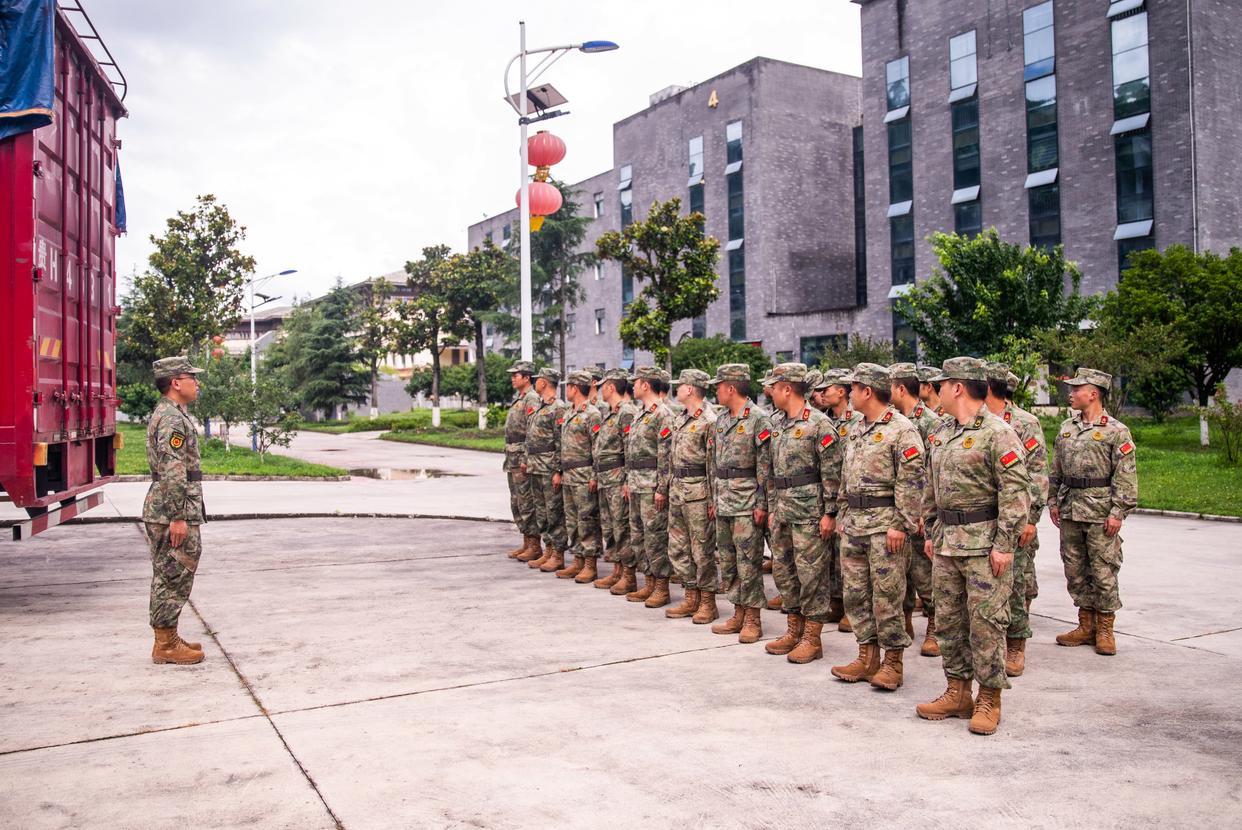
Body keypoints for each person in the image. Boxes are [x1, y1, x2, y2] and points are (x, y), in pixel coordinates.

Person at [916, 357, 1030, 736]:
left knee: (986, 625)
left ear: (958, 387)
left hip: (984, 546)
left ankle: (989, 698)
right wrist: (933, 531)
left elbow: (1015, 492)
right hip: (948, 545)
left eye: (942, 384)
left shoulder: (999, 433)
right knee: (949, 622)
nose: (937, 390)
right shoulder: (942, 431)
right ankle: (957, 691)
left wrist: (1005, 545)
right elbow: (931, 488)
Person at [831, 363, 924, 689]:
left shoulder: (902, 430)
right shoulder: (856, 428)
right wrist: (843, 513)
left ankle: (893, 663)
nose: (850, 393)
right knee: (856, 595)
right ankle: (866, 656)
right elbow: (846, 477)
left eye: (853, 388)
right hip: (855, 526)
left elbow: (912, 483)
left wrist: (901, 524)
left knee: (887, 597)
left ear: (867, 391)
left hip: (886, 529)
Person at [1049, 367, 1137, 657]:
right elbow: (1056, 470)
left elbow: (1125, 474)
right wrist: (1052, 501)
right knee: (1074, 570)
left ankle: (1105, 628)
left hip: (1100, 511)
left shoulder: (1116, 431)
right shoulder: (1066, 427)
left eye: (1077, 389)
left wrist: (1118, 512)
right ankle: (1085, 624)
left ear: (1094, 393)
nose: (1071, 393)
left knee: (1103, 570)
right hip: (1070, 508)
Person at [764, 363, 840, 664]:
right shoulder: (778, 424)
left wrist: (830, 513)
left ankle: (812, 637)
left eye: (774, 386)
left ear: (787, 388)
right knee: (785, 572)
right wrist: (772, 507)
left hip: (810, 512)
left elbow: (832, 473)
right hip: (783, 510)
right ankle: (793, 629)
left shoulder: (819, 425)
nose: (770, 391)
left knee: (812, 576)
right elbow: (771, 472)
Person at [984, 362, 1047, 676]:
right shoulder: (971, 422)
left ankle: (1016, 644)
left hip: (1016, 519)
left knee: (1016, 584)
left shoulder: (1024, 423)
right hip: (981, 519)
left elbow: (1036, 475)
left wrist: (1031, 519)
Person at [144, 357, 208, 665]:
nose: (197, 383)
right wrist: (178, 516)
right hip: (171, 509)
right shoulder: (171, 419)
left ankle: (168, 637)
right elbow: (172, 470)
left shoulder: (173, 414)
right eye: (191, 378)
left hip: (172, 505)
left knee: (173, 573)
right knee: (172, 574)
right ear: (176, 382)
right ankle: (165, 644)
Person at [707, 363, 773, 644]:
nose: (716, 391)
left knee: (749, 563)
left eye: (718, 386)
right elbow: (714, 464)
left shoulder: (758, 419)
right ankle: (737, 611)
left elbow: (765, 466)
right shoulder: (721, 420)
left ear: (731, 388)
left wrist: (761, 503)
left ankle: (753, 618)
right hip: (723, 500)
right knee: (729, 561)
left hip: (747, 503)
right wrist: (713, 499)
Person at [889, 362, 941, 657]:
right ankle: (905, 621)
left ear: (900, 388)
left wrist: (924, 512)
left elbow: (932, 472)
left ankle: (934, 625)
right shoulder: (893, 422)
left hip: (921, 512)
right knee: (902, 574)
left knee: (925, 574)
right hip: (898, 510)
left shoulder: (930, 423)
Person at [662, 369, 719, 623]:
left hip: (698, 492)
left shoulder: (709, 419)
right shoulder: (680, 418)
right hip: (678, 489)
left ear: (691, 389)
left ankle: (708, 602)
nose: (677, 389)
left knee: (702, 549)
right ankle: (690, 596)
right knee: (678, 546)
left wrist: (713, 499)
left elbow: (713, 464)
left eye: (681, 385)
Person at [623, 366, 676, 608]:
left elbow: (666, 456)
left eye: (636, 382)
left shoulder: (663, 414)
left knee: (655, 537)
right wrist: (627, 481)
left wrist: (661, 488)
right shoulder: (640, 413)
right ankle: (648, 582)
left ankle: (661, 588)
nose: (632, 386)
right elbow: (631, 453)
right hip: (636, 483)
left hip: (651, 484)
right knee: (639, 537)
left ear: (646, 385)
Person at [818, 368, 862, 631]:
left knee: (846, 555)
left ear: (842, 391)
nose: (822, 393)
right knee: (829, 554)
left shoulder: (856, 421)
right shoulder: (824, 421)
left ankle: (850, 606)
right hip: (827, 493)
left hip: (847, 496)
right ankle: (835, 601)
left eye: (828, 388)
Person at [594, 369, 639, 592]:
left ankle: (629, 574)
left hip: (617, 477)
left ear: (611, 387)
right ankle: (617, 570)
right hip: (605, 478)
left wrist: (627, 480)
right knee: (610, 527)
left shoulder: (626, 413)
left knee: (622, 527)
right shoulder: (610, 412)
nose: (601, 389)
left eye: (604, 385)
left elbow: (631, 450)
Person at [556, 370, 604, 583]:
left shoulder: (592, 414)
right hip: (569, 474)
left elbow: (598, 448)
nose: (566, 389)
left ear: (575, 388)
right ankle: (577, 560)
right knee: (572, 520)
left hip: (584, 474)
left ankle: (590, 564)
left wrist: (594, 475)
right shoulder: (569, 412)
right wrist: (559, 471)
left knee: (586, 520)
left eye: (568, 386)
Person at [523, 368, 569, 573]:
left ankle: (558, 554)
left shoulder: (558, 408)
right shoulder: (540, 407)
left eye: (538, 380)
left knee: (554, 512)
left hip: (549, 467)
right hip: (536, 466)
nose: (536, 383)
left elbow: (561, 441)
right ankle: (548, 550)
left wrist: (559, 469)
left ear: (545, 382)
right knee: (541, 512)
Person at [504, 361, 544, 562]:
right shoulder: (520, 398)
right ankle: (527, 541)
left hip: (521, 456)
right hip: (512, 455)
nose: (513, 378)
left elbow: (532, 431)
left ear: (527, 377)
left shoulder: (532, 399)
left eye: (516, 375)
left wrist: (526, 458)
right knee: (517, 502)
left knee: (527, 501)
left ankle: (535, 544)